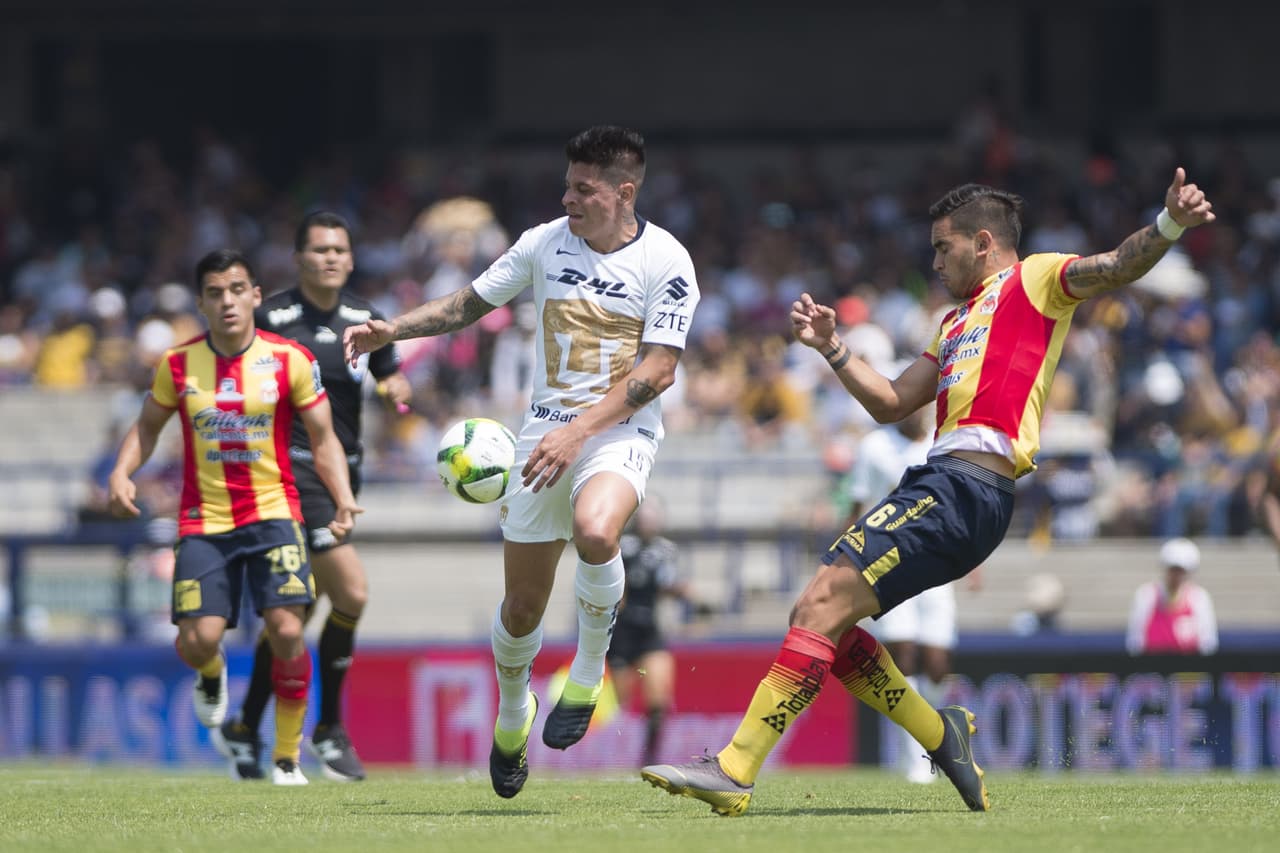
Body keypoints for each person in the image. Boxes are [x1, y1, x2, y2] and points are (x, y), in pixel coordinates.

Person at [641, 168, 1215, 816]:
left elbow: (1113, 266)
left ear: (984, 243)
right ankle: (943, 736)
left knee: (819, 601)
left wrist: (1170, 222)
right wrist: (833, 349)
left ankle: (735, 768)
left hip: (968, 485)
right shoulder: (953, 322)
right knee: (827, 619)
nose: (935, 262)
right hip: (941, 482)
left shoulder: (1034, 280)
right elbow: (891, 401)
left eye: (944, 247)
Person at [344, 126, 699, 799]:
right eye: (567, 186)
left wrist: (579, 433)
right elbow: (468, 303)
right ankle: (514, 714)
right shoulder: (543, 244)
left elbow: (658, 370)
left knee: (597, 531)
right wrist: (395, 329)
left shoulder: (667, 260)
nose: (568, 198)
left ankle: (587, 676)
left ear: (624, 192)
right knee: (522, 607)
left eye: (583, 189)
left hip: (618, 430)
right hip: (542, 434)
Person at [107, 249, 361, 786]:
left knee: (287, 629)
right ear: (201, 303)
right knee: (198, 640)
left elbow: (323, 439)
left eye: (237, 290)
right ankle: (211, 672)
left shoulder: (288, 359)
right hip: (205, 521)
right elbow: (147, 428)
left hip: (274, 512)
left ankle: (287, 758)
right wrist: (122, 472)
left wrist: (341, 497)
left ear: (255, 296)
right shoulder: (177, 364)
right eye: (215, 293)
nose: (227, 301)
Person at [212, 212, 411, 782]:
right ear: (298, 257)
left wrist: (396, 388)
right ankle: (329, 729)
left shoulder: (364, 317)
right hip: (287, 476)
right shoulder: (270, 318)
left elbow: (389, 373)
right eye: (320, 249)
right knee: (351, 592)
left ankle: (246, 725)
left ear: (351, 259)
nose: (330, 258)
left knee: (294, 612)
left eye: (339, 250)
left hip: (341, 475)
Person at [840, 404, 959, 784]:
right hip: (888, 563)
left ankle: (930, 735)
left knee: (937, 663)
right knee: (903, 654)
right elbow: (857, 506)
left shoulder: (943, 443)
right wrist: (845, 563)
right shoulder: (875, 446)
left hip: (938, 563)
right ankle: (917, 758)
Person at [607, 496, 701, 766]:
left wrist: (683, 592)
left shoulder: (666, 550)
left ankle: (648, 758)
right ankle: (608, 756)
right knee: (618, 701)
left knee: (659, 700)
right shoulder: (622, 545)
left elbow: (666, 583)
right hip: (621, 630)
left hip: (649, 629)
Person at [1125, 538, 1218, 655]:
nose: (1177, 575)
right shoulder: (1146, 595)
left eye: (1181, 570)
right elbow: (1135, 640)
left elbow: (1208, 642)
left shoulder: (1199, 597)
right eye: (1173, 569)